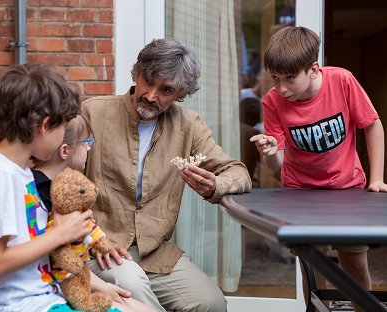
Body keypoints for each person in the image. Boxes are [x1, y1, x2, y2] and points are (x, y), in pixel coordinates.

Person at [81, 38, 252, 312]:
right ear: (136, 72)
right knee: (132, 287)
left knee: (211, 303)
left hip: (155, 253)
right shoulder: (93, 113)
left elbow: (238, 173)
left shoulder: (188, 125)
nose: (150, 95)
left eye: (166, 89)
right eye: (147, 81)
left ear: (180, 94)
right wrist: (95, 237)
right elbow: (61, 186)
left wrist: (215, 185)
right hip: (99, 247)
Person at [250, 26, 387, 311]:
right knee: (312, 265)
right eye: (275, 78)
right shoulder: (272, 102)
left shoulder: (342, 81)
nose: (282, 87)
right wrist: (270, 153)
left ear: (313, 70)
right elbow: (276, 163)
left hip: (347, 187)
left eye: (289, 78)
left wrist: (376, 178)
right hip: (300, 192)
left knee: (354, 262)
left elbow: (372, 124)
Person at [0, 64, 95, 312]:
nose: (61, 138)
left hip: (41, 299)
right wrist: (60, 234)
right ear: (45, 126)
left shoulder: (18, 170)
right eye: (62, 127)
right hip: (18, 306)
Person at [31, 115, 158, 312]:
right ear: (65, 151)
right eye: (87, 142)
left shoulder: (60, 187)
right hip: (55, 290)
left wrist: (103, 286)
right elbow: (57, 258)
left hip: (70, 283)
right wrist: (99, 287)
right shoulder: (44, 194)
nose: (90, 148)